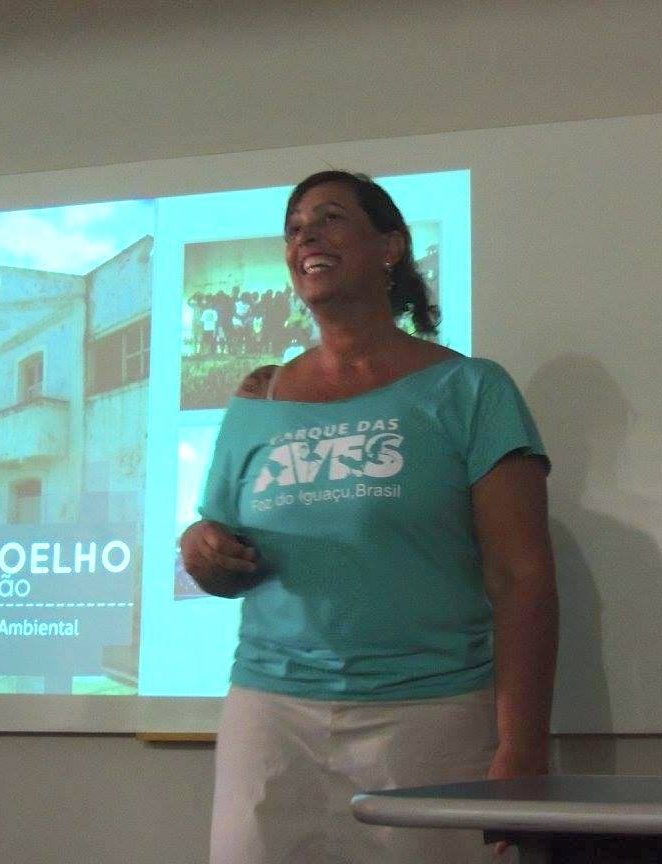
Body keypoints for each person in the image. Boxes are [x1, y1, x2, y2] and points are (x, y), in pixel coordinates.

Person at [180, 170, 558, 864]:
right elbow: (215, 546)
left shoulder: (470, 390)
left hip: (430, 717)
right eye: (294, 229)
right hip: (270, 717)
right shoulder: (257, 400)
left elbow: (521, 577)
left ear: (390, 247)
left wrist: (522, 745)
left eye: (329, 219)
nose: (307, 238)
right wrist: (201, 550)